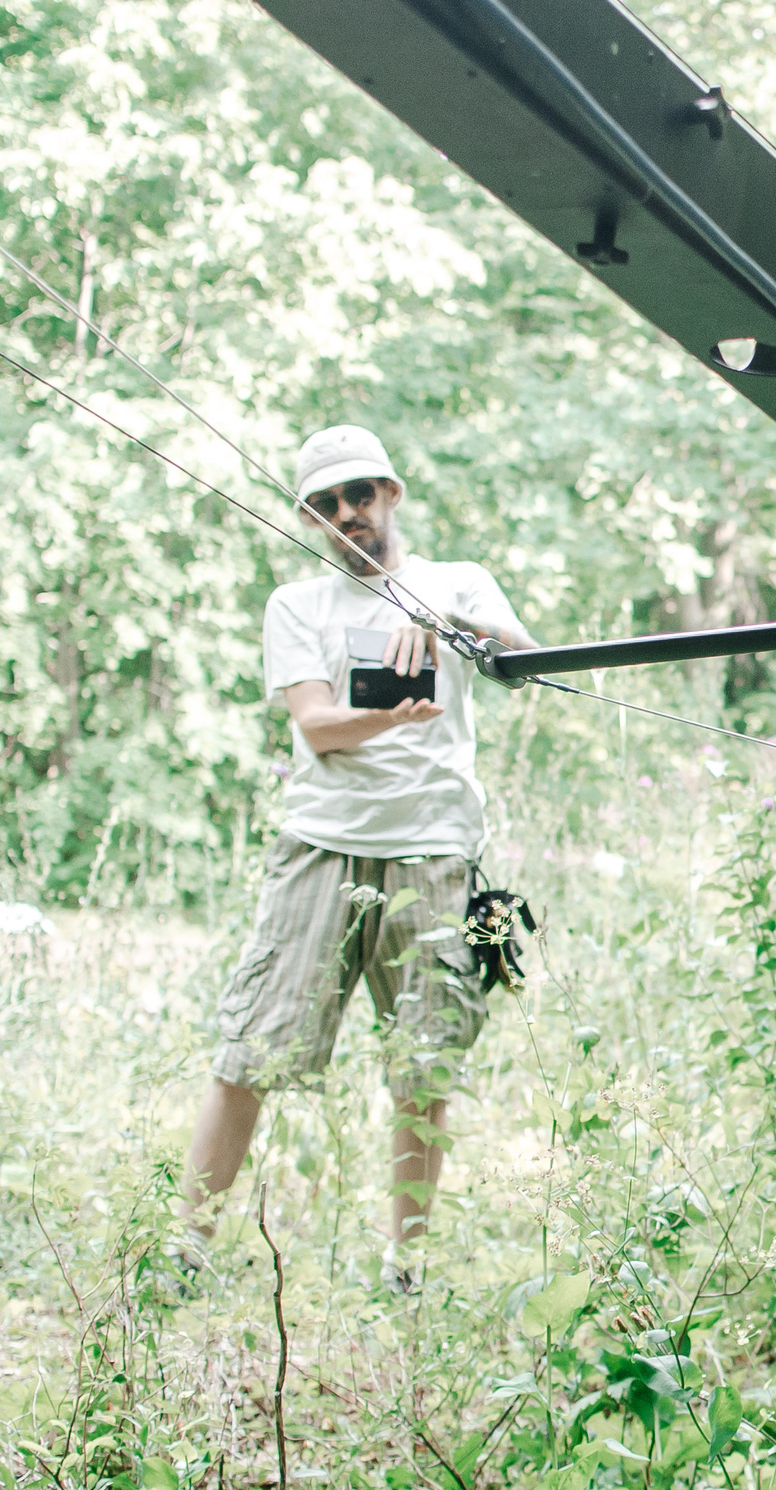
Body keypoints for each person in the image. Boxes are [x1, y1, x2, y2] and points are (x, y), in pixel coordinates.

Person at [185, 424, 537, 1290]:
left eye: (361, 495)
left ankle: (405, 1265)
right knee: (252, 1051)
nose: (349, 514)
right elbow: (317, 726)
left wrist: (453, 628)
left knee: (424, 1063)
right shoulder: (295, 606)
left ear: (391, 493)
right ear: (312, 516)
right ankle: (184, 1249)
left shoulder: (458, 584)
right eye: (329, 504)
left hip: (434, 852)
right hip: (322, 848)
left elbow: (529, 661)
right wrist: (395, 710)